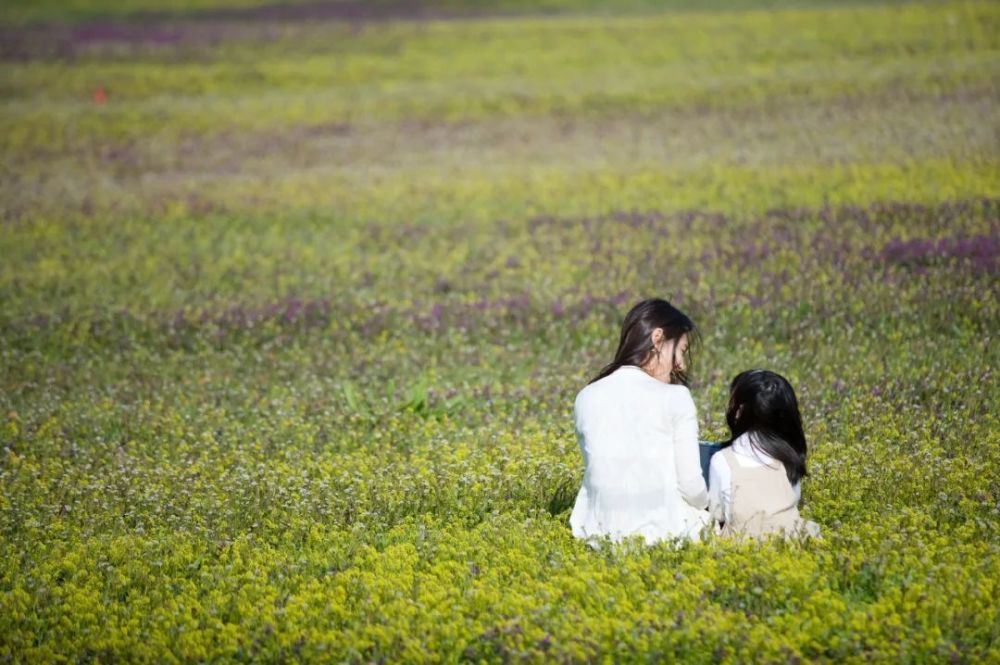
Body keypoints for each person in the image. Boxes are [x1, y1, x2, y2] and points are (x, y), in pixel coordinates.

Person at [569, 298, 711, 548]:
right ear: (657, 339)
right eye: (680, 350)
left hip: (598, 534)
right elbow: (691, 487)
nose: (681, 364)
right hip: (666, 533)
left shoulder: (586, 396)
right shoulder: (676, 397)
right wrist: (712, 502)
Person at [708, 369, 820, 539]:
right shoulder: (789, 457)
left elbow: (717, 513)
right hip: (791, 543)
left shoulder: (723, 460)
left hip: (742, 549)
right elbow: (794, 498)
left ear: (739, 411)